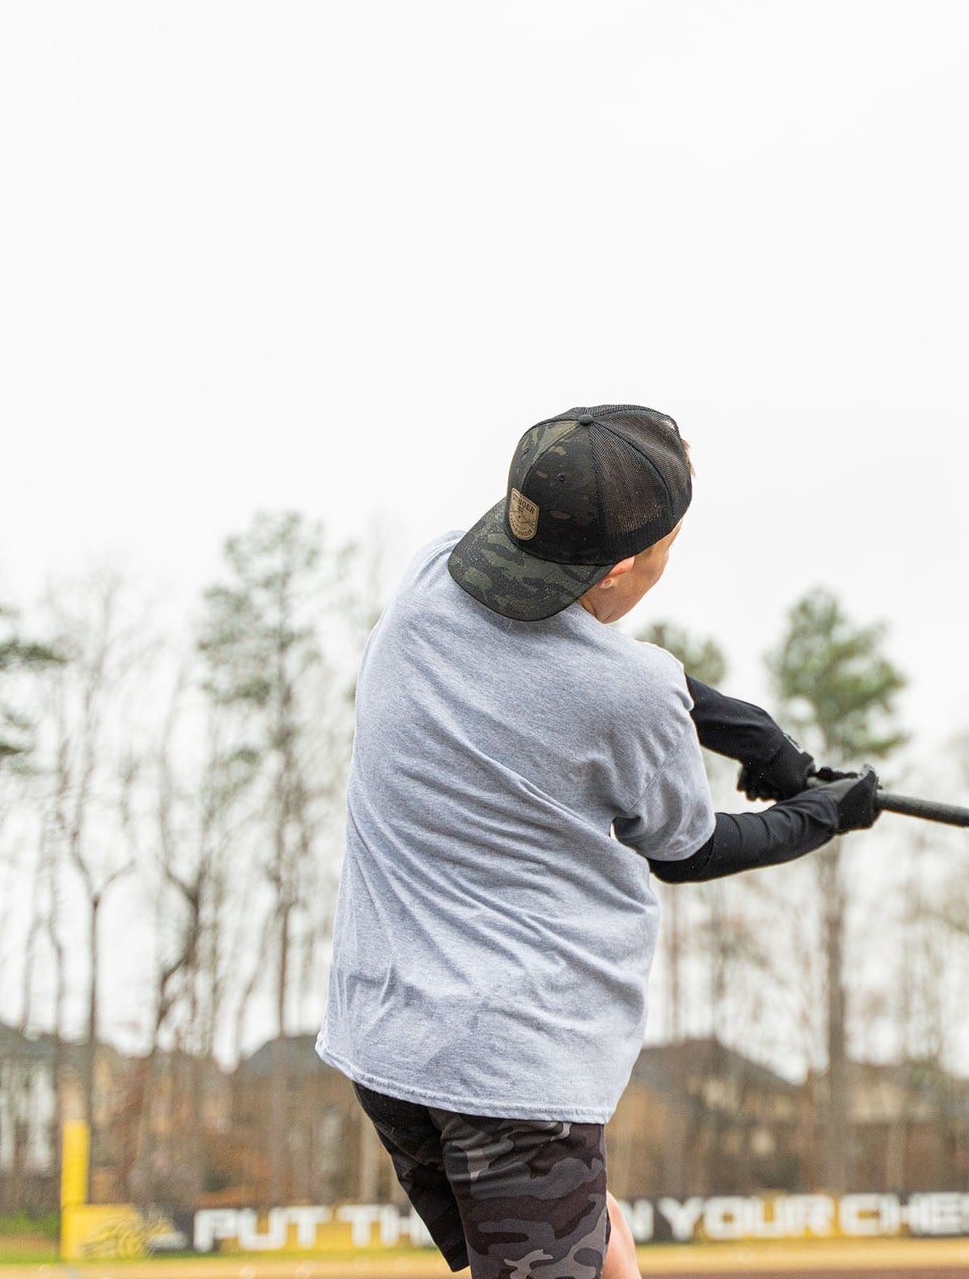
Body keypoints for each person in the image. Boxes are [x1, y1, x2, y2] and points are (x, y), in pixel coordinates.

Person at [315, 405, 879, 1279]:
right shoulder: (629, 693)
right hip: (513, 1074)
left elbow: (601, 663)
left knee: (597, 1240)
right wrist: (822, 814)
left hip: (386, 1040)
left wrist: (747, 729)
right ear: (621, 568)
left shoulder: (429, 577)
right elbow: (687, 848)